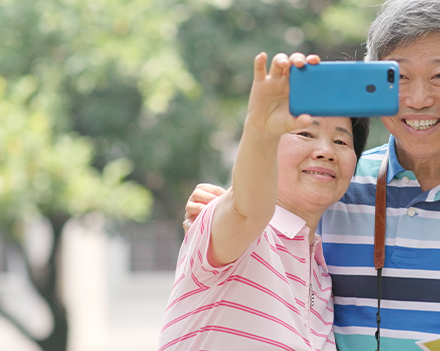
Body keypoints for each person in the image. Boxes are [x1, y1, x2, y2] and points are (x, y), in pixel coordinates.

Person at [184, 0, 440, 351]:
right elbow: (254, 218)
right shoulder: (333, 185)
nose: (418, 99)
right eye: (398, 78)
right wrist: (222, 208)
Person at [159, 52, 371, 350]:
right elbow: (247, 211)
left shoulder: (323, 277)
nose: (326, 151)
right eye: (306, 133)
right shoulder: (246, 233)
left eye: (341, 141)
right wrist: (261, 129)